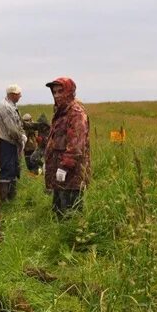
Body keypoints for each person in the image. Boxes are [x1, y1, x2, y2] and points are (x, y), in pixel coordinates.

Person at [44, 77, 90, 218]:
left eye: (60, 91)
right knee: (58, 213)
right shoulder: (60, 113)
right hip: (59, 173)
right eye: (54, 92)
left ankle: (74, 240)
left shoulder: (75, 113)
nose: (56, 95)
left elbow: (76, 145)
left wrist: (64, 167)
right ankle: (61, 239)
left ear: (69, 92)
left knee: (70, 215)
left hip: (71, 175)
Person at [0, 84, 27, 201]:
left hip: (10, 141)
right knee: (7, 169)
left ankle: (11, 197)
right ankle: (3, 199)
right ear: (12, 95)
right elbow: (12, 128)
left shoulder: (11, 106)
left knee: (13, 169)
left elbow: (18, 124)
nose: (20, 96)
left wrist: (21, 136)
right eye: (18, 94)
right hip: (5, 141)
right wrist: (21, 138)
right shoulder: (4, 107)